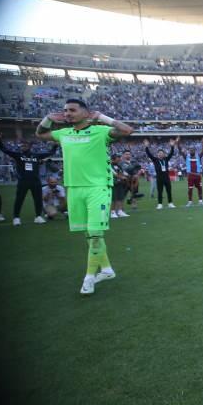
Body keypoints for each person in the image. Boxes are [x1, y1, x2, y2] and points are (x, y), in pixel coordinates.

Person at [35, 98, 134, 295]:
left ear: (86, 113)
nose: (67, 113)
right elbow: (40, 134)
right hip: (74, 188)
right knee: (89, 234)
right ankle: (106, 270)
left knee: (95, 233)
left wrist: (102, 118)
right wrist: (47, 118)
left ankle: (89, 278)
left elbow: (127, 130)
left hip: (98, 187)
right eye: (65, 111)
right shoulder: (64, 133)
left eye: (72, 110)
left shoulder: (99, 131)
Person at [0, 132, 57, 225]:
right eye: (21, 145)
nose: (22, 146)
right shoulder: (18, 155)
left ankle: (38, 216)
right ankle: (16, 218)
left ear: (29, 146)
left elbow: (50, 153)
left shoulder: (36, 155)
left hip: (35, 181)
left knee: (38, 199)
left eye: (25, 145)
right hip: (23, 181)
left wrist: (55, 145)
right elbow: (5, 150)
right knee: (19, 199)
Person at [143, 137, 176, 209]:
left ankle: (170, 203)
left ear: (164, 154)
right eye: (159, 153)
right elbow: (149, 154)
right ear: (157, 154)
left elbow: (171, 153)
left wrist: (172, 146)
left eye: (162, 153)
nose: (160, 154)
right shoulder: (155, 160)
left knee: (169, 191)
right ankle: (160, 204)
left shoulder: (166, 159)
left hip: (166, 177)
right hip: (159, 178)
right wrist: (146, 147)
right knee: (160, 191)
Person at [178, 138, 203, 206]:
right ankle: (190, 201)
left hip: (198, 176)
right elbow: (180, 150)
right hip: (190, 176)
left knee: (200, 188)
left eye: (192, 150)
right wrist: (177, 143)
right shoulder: (186, 157)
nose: (191, 151)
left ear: (195, 151)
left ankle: (200, 201)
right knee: (190, 189)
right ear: (189, 151)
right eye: (190, 150)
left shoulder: (198, 156)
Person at [110, 154, 129, 218]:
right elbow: (114, 174)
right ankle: (112, 212)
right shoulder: (110, 165)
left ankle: (120, 211)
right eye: (118, 157)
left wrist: (127, 175)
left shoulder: (118, 165)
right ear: (114, 158)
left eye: (119, 157)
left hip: (120, 183)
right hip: (113, 183)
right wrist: (122, 177)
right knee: (114, 198)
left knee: (120, 197)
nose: (119, 159)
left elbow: (122, 172)